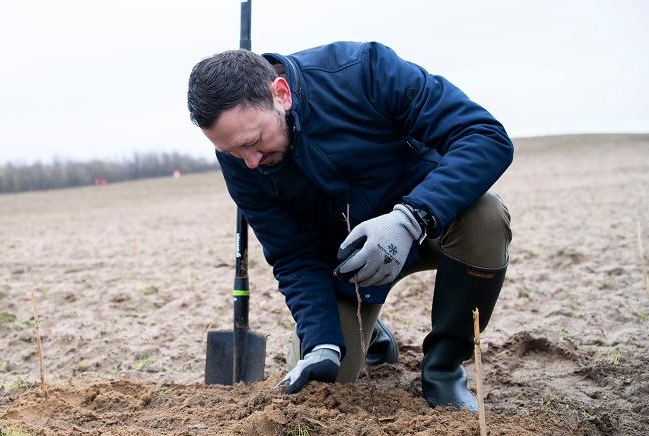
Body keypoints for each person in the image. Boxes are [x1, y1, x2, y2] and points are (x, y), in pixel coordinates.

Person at [187, 41, 512, 411]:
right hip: (352, 268)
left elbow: (485, 136)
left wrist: (410, 218)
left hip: (431, 223)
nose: (250, 161)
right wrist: (322, 341)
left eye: (254, 141)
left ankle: (444, 370)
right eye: (233, 152)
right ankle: (371, 336)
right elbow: (293, 255)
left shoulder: (363, 71)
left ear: (281, 93)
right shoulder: (241, 161)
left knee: (485, 217)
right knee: (317, 397)